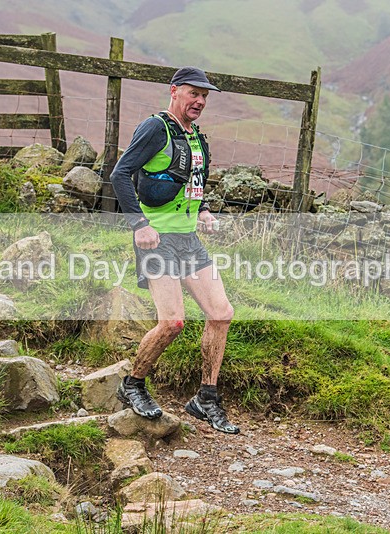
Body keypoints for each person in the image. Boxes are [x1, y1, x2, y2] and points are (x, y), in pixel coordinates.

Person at [109, 66, 239, 434]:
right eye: (193, 93)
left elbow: (190, 181)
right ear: (174, 92)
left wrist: (204, 210)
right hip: (158, 239)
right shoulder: (155, 128)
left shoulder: (195, 136)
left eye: (205, 96)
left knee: (221, 313)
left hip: (188, 241)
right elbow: (120, 173)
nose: (199, 101)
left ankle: (206, 398)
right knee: (173, 322)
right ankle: (132, 384)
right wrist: (139, 224)